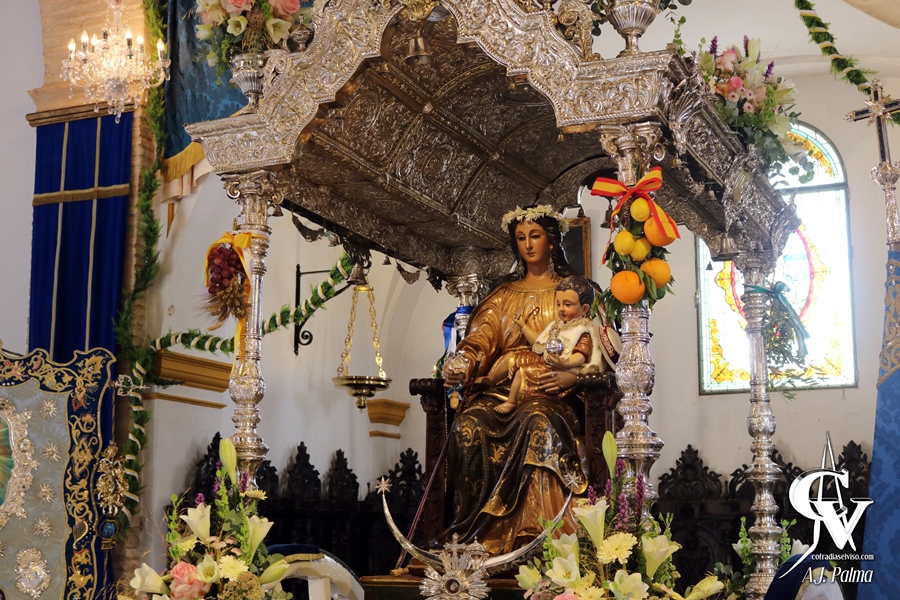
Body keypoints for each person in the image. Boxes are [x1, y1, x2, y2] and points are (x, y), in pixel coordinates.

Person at [441, 205, 619, 555]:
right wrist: (462, 362)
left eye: (535, 236)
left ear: (551, 241)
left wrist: (573, 378)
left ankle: (540, 532)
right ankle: (474, 536)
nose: (527, 245)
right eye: (520, 237)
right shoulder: (502, 296)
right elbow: (479, 342)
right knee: (468, 424)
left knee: (537, 420)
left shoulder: (580, 292)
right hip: (503, 389)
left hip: (557, 395)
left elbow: (604, 349)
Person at [489, 275, 605, 414]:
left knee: (522, 372)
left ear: (585, 308)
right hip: (548, 360)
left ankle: (512, 401)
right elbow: (540, 343)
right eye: (558, 304)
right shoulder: (558, 324)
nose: (561, 309)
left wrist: (565, 363)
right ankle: (489, 381)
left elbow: (581, 355)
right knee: (514, 357)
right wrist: (523, 325)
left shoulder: (584, 329)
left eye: (567, 305)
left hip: (563, 370)